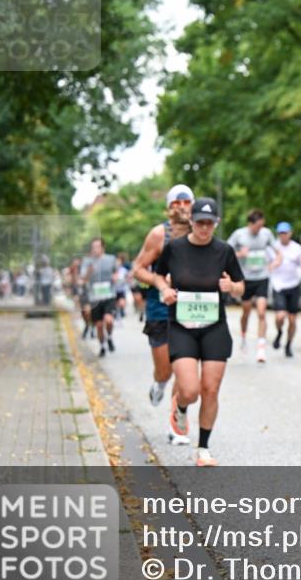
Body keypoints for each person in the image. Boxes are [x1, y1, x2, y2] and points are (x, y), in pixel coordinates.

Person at [152, 197, 244, 466]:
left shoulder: (224, 251)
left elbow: (240, 285)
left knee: (211, 389)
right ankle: (180, 408)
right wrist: (165, 290)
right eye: (200, 222)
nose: (205, 228)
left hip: (214, 326)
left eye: (210, 223)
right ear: (191, 221)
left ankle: (203, 448)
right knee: (190, 390)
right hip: (182, 327)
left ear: (216, 224)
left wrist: (232, 288)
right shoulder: (175, 248)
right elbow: (158, 275)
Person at [132, 184, 194, 438]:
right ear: (168, 208)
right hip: (160, 309)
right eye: (176, 202)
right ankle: (159, 383)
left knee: (184, 367)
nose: (181, 206)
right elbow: (138, 269)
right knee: (165, 370)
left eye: (186, 201)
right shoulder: (159, 235)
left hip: (190, 310)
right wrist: (160, 281)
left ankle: (177, 422)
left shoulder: (201, 232)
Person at [227, 209, 276, 363]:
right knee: (246, 311)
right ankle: (243, 336)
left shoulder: (267, 234)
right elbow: (225, 253)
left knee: (262, 312)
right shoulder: (239, 235)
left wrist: (274, 263)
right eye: (257, 226)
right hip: (245, 278)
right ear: (250, 224)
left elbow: (277, 251)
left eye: (262, 226)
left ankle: (261, 348)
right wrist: (240, 254)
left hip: (262, 276)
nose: (259, 229)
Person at [267, 221, 301, 357]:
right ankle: (279, 332)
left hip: (293, 285)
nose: (283, 235)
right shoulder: (273, 248)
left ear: (290, 233)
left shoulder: (297, 248)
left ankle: (289, 344)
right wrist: (274, 264)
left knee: (292, 320)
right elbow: (267, 267)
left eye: (285, 233)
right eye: (280, 233)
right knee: (280, 316)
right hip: (278, 286)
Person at [80, 238, 120, 356]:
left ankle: (110, 337)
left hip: (109, 295)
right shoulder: (87, 262)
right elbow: (83, 279)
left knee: (109, 320)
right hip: (94, 297)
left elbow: (117, 272)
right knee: (98, 325)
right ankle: (102, 346)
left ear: (103, 247)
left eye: (98, 246)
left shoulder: (111, 259)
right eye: (93, 247)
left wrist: (115, 277)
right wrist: (88, 271)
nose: (95, 249)